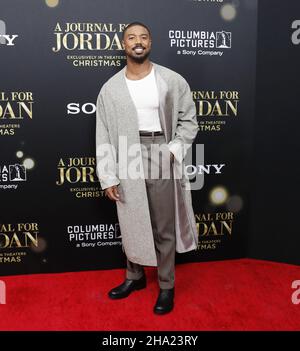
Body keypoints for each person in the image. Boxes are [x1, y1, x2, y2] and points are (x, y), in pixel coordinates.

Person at [95, 21, 199, 314]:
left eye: (143, 37)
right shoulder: (111, 88)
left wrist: (173, 151)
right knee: (131, 220)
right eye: (131, 37)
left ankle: (166, 286)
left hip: (160, 151)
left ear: (150, 43)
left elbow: (189, 121)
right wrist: (108, 176)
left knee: (164, 224)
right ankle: (134, 277)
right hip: (126, 153)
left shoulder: (171, 80)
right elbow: (102, 133)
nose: (137, 41)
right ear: (123, 44)